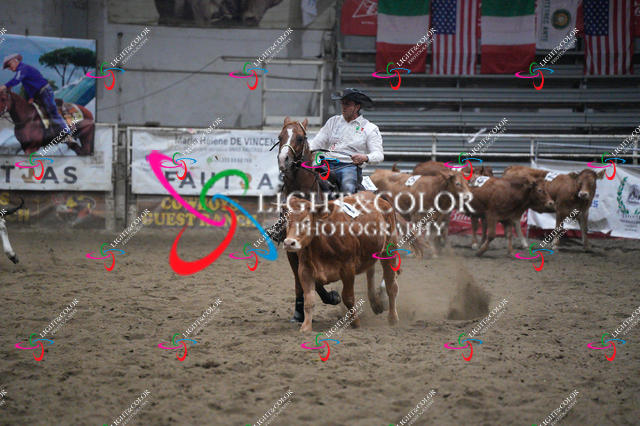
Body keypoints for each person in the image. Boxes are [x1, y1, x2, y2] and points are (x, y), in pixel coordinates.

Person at [308, 88, 384, 194]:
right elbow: (317, 143)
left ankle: (344, 204)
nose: (344, 107)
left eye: (347, 104)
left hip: (349, 166)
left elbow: (379, 155)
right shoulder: (333, 121)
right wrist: (307, 150)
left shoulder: (369, 128)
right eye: (342, 103)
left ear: (357, 107)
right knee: (308, 182)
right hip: (326, 164)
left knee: (348, 187)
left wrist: (365, 157)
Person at [0, 53, 72, 142]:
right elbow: (28, 86)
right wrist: (31, 97)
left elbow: (16, 80)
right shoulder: (22, 70)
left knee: (51, 111)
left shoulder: (23, 69)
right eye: (8, 67)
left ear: (14, 61)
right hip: (37, 94)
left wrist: (4, 86)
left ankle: (67, 134)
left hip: (45, 92)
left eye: (9, 65)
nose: (9, 68)